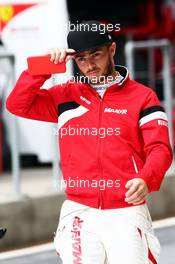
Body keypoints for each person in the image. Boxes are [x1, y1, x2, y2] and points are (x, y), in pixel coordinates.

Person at [6, 20, 173, 264]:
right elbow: (17, 104)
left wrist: (147, 178)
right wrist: (42, 67)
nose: (89, 64)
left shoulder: (143, 97)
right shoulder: (65, 95)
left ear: (112, 50)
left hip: (126, 210)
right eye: (81, 58)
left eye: (96, 54)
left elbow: (160, 148)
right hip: (79, 211)